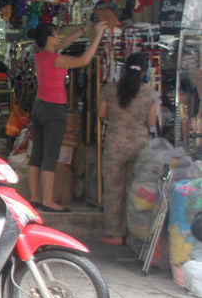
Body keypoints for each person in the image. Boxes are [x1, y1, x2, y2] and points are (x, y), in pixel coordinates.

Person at [27, 20, 108, 212]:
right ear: (50, 39)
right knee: (50, 154)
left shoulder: (41, 55)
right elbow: (83, 61)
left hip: (39, 106)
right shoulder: (56, 59)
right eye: (56, 35)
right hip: (53, 109)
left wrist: (82, 30)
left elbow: (63, 45)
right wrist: (97, 36)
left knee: (37, 153)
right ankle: (48, 200)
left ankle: (35, 197)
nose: (59, 39)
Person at [99, 53, 159, 246]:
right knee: (135, 189)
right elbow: (151, 122)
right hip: (139, 145)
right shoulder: (150, 93)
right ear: (144, 72)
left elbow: (102, 114)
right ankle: (135, 233)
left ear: (125, 69)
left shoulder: (110, 89)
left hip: (115, 143)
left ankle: (115, 233)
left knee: (113, 189)